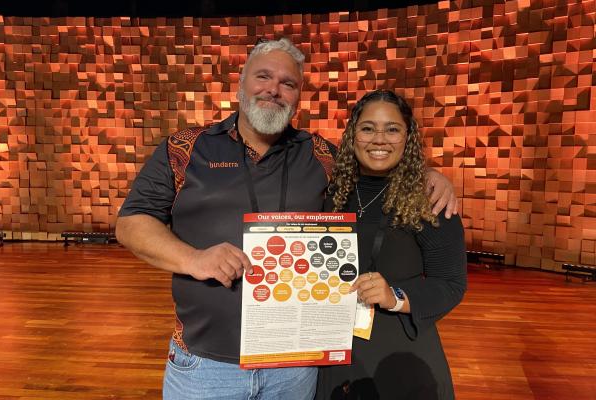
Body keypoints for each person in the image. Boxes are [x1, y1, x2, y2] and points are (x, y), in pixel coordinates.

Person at [115, 39, 457, 399]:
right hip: (207, 364)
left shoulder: (322, 155)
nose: (273, 90)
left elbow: (380, 158)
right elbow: (131, 222)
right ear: (240, 83)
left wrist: (430, 175)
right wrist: (194, 259)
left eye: (288, 83)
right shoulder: (185, 148)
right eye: (263, 76)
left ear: (298, 97)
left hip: (295, 364)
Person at [315, 90, 467, 400]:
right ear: (352, 134)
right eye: (368, 128)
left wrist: (395, 297)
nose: (379, 139)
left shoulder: (428, 198)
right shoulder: (330, 192)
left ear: (407, 137)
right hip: (331, 348)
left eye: (392, 129)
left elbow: (451, 284)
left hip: (396, 357)